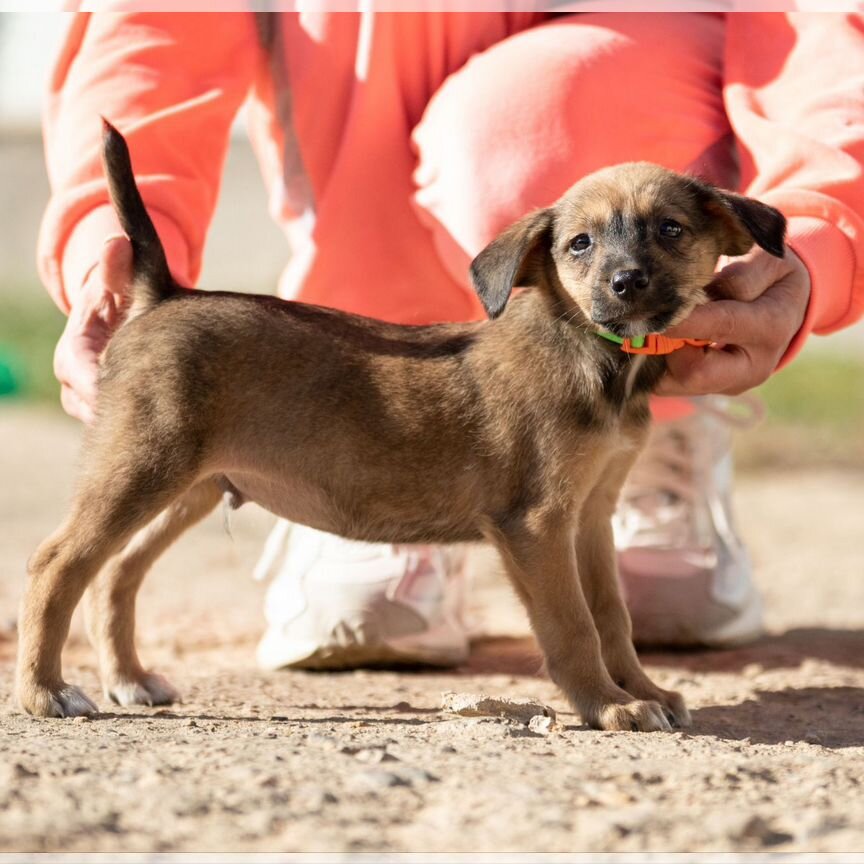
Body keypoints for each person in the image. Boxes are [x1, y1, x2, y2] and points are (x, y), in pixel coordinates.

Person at [38, 11, 863, 668]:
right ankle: (356, 455)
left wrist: (828, 225)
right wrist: (103, 245)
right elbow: (157, 25)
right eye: (582, 247)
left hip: (661, 56)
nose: (628, 270)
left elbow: (815, 25)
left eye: (671, 234)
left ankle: (670, 449)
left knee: (529, 122)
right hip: (338, 318)